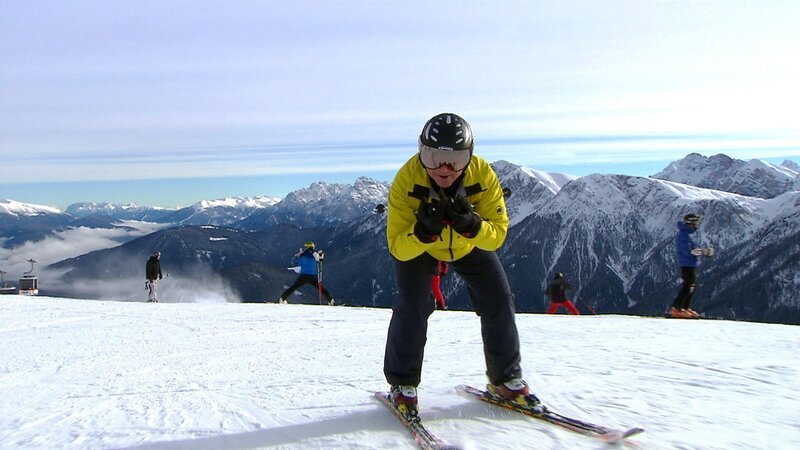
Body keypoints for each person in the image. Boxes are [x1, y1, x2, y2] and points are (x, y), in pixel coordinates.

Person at [384, 112, 534, 417]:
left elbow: (497, 235)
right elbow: (398, 247)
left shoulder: (483, 175)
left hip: (468, 244)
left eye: (456, 159)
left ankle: (505, 379)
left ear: (470, 155)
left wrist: (473, 227)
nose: (444, 168)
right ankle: (402, 384)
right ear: (421, 152)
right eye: (434, 157)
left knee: (498, 298)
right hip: (421, 247)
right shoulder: (406, 180)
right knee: (414, 304)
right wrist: (423, 233)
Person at [670, 213, 713, 318]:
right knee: (688, 285)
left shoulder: (687, 234)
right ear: (691, 223)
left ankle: (684, 307)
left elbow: (691, 249)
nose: (697, 226)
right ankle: (677, 308)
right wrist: (702, 251)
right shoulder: (683, 235)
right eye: (695, 223)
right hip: (687, 264)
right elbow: (687, 251)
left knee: (691, 286)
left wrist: (702, 251)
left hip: (690, 264)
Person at [278, 241, 335, 305]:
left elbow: (297, 263)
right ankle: (330, 300)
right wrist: (321, 256)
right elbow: (319, 260)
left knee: (293, 287)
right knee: (321, 288)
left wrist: (299, 255)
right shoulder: (315, 254)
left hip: (303, 276)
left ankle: (282, 298)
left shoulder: (303, 255)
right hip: (311, 276)